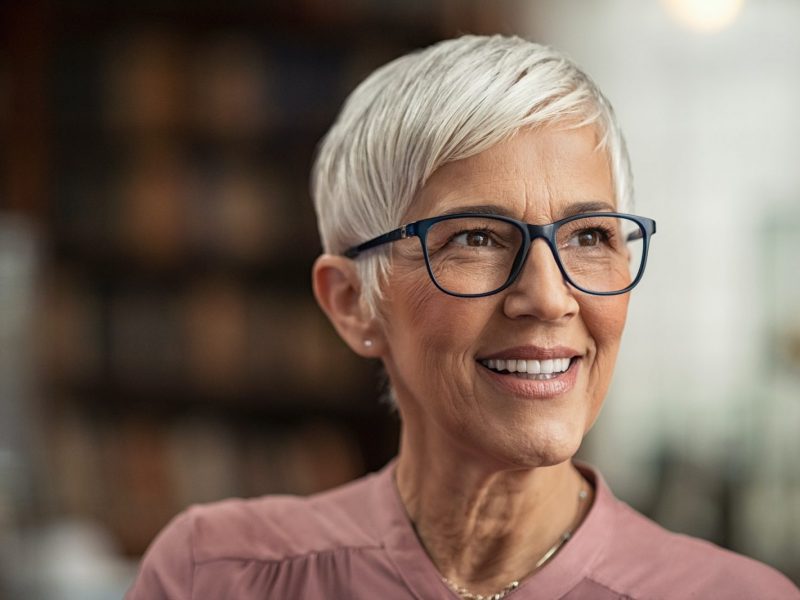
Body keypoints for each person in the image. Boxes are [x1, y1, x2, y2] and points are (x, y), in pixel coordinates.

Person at [126, 35, 799, 599]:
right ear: (353, 302)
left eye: (590, 236)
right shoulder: (211, 577)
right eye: (475, 237)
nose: (549, 296)